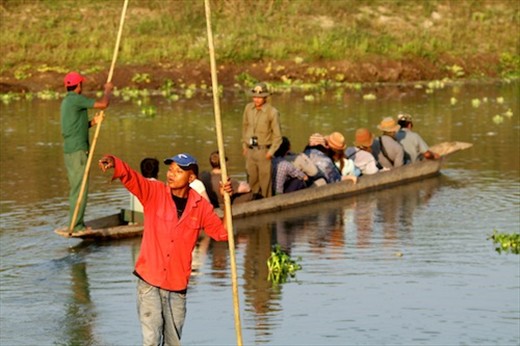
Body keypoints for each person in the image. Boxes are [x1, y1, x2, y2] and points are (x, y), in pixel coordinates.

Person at [98, 153, 233, 346]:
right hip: (149, 280)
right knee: (151, 340)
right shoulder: (155, 192)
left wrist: (227, 200)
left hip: (176, 285)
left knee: (173, 342)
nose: (171, 174)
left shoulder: (200, 207)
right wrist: (115, 163)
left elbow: (223, 234)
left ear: (191, 178)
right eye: (170, 170)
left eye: (179, 171)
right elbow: (132, 178)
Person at [60, 71, 113, 232]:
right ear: (79, 86)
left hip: (71, 151)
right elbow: (103, 104)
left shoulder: (67, 102)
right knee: (80, 187)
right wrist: (108, 90)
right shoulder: (76, 99)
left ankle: (76, 223)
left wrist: (93, 122)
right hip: (78, 152)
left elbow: (75, 127)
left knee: (76, 187)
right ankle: (76, 226)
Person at [241, 82, 283, 199]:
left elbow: (277, 136)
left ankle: (266, 202)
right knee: (251, 180)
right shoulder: (248, 108)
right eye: (255, 97)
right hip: (250, 150)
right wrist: (244, 145)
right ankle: (252, 203)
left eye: (259, 97)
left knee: (265, 183)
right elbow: (245, 127)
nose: (257, 99)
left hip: (264, 151)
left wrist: (271, 152)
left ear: (265, 97)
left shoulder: (272, 112)